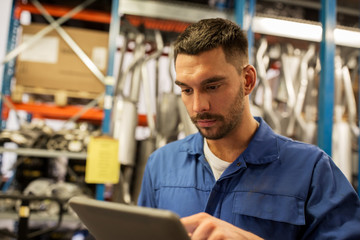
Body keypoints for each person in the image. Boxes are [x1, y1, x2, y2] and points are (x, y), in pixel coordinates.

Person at [137, 18, 360, 239]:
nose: (198, 106)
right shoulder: (161, 165)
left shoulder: (312, 171)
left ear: (248, 80)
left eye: (212, 86)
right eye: (187, 90)